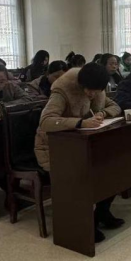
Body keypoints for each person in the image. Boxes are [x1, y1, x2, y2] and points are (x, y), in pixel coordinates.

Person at [35, 63, 124, 242]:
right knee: (85, 175)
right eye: (89, 90)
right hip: (56, 148)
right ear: (81, 83)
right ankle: (82, 223)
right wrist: (80, 123)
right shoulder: (63, 90)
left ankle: (102, 212)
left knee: (114, 167)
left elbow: (115, 107)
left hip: (83, 145)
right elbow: (46, 121)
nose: (92, 95)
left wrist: (102, 114)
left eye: (96, 91)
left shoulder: (97, 88)